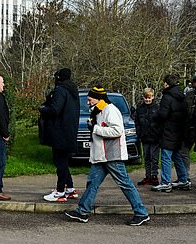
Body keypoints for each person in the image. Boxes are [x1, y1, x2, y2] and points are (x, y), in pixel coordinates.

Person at [63, 87, 150, 226]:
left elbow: (118, 130)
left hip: (111, 155)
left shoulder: (110, 110)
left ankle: (141, 213)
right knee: (93, 182)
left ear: (99, 98)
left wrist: (96, 129)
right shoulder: (98, 110)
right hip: (103, 155)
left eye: (90, 98)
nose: (88, 100)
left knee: (125, 184)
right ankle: (82, 212)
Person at [39, 68, 80, 202]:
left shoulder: (60, 90)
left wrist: (43, 109)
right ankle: (70, 189)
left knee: (60, 162)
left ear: (58, 78)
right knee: (63, 161)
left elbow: (55, 109)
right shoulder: (73, 91)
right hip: (69, 131)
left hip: (59, 132)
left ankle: (60, 191)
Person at [151, 74, 189, 193]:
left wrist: (155, 116)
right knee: (176, 155)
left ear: (166, 84)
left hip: (168, 130)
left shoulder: (167, 97)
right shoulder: (182, 96)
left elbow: (163, 114)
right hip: (179, 129)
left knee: (166, 156)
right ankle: (183, 179)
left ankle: (165, 182)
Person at [133, 88, 161, 186]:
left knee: (154, 158)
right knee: (147, 157)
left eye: (149, 98)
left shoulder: (157, 108)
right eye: (146, 98)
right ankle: (148, 176)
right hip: (144, 137)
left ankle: (154, 176)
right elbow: (137, 123)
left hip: (155, 137)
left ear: (153, 97)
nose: (147, 100)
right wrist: (139, 134)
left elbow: (160, 123)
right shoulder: (140, 109)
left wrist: (159, 134)